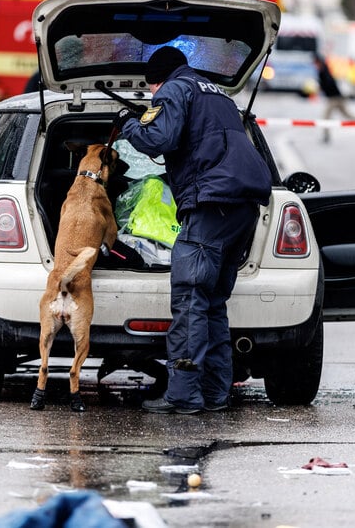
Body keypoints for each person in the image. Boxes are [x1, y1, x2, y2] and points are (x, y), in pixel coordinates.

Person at [114, 46, 272, 414]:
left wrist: (129, 123)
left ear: (157, 80)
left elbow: (158, 140)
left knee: (189, 299)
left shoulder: (172, 89)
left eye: (152, 90)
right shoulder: (218, 94)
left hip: (210, 205)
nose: (154, 96)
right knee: (213, 303)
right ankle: (216, 394)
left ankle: (183, 396)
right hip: (242, 208)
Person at [313, 54, 355, 142]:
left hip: (334, 98)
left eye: (315, 63)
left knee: (326, 117)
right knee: (347, 115)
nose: (314, 66)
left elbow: (328, 84)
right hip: (337, 97)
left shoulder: (323, 71)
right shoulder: (324, 69)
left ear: (318, 62)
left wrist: (320, 87)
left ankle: (326, 136)